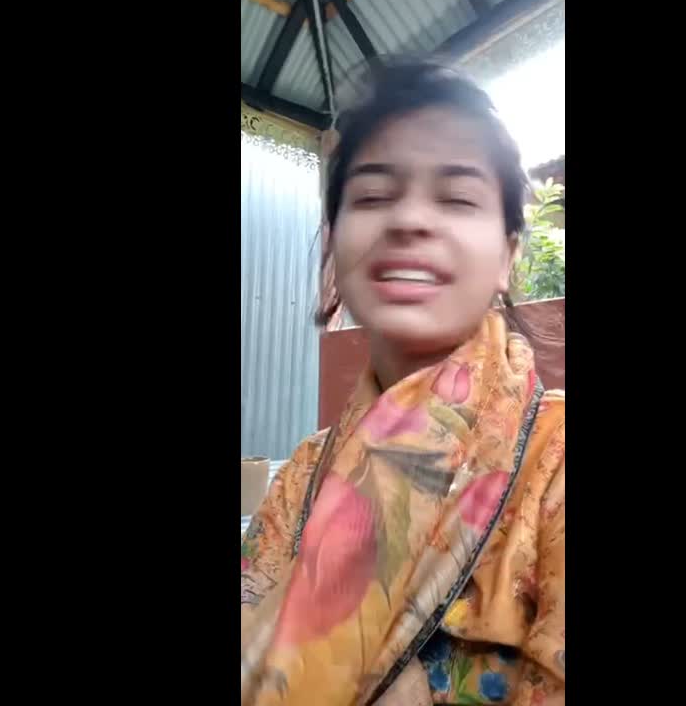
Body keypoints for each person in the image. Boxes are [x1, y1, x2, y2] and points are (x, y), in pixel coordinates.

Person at [241, 61, 564, 706]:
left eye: (457, 198)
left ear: (507, 255)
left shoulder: (554, 463)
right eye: (372, 196)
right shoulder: (303, 475)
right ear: (334, 241)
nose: (410, 219)